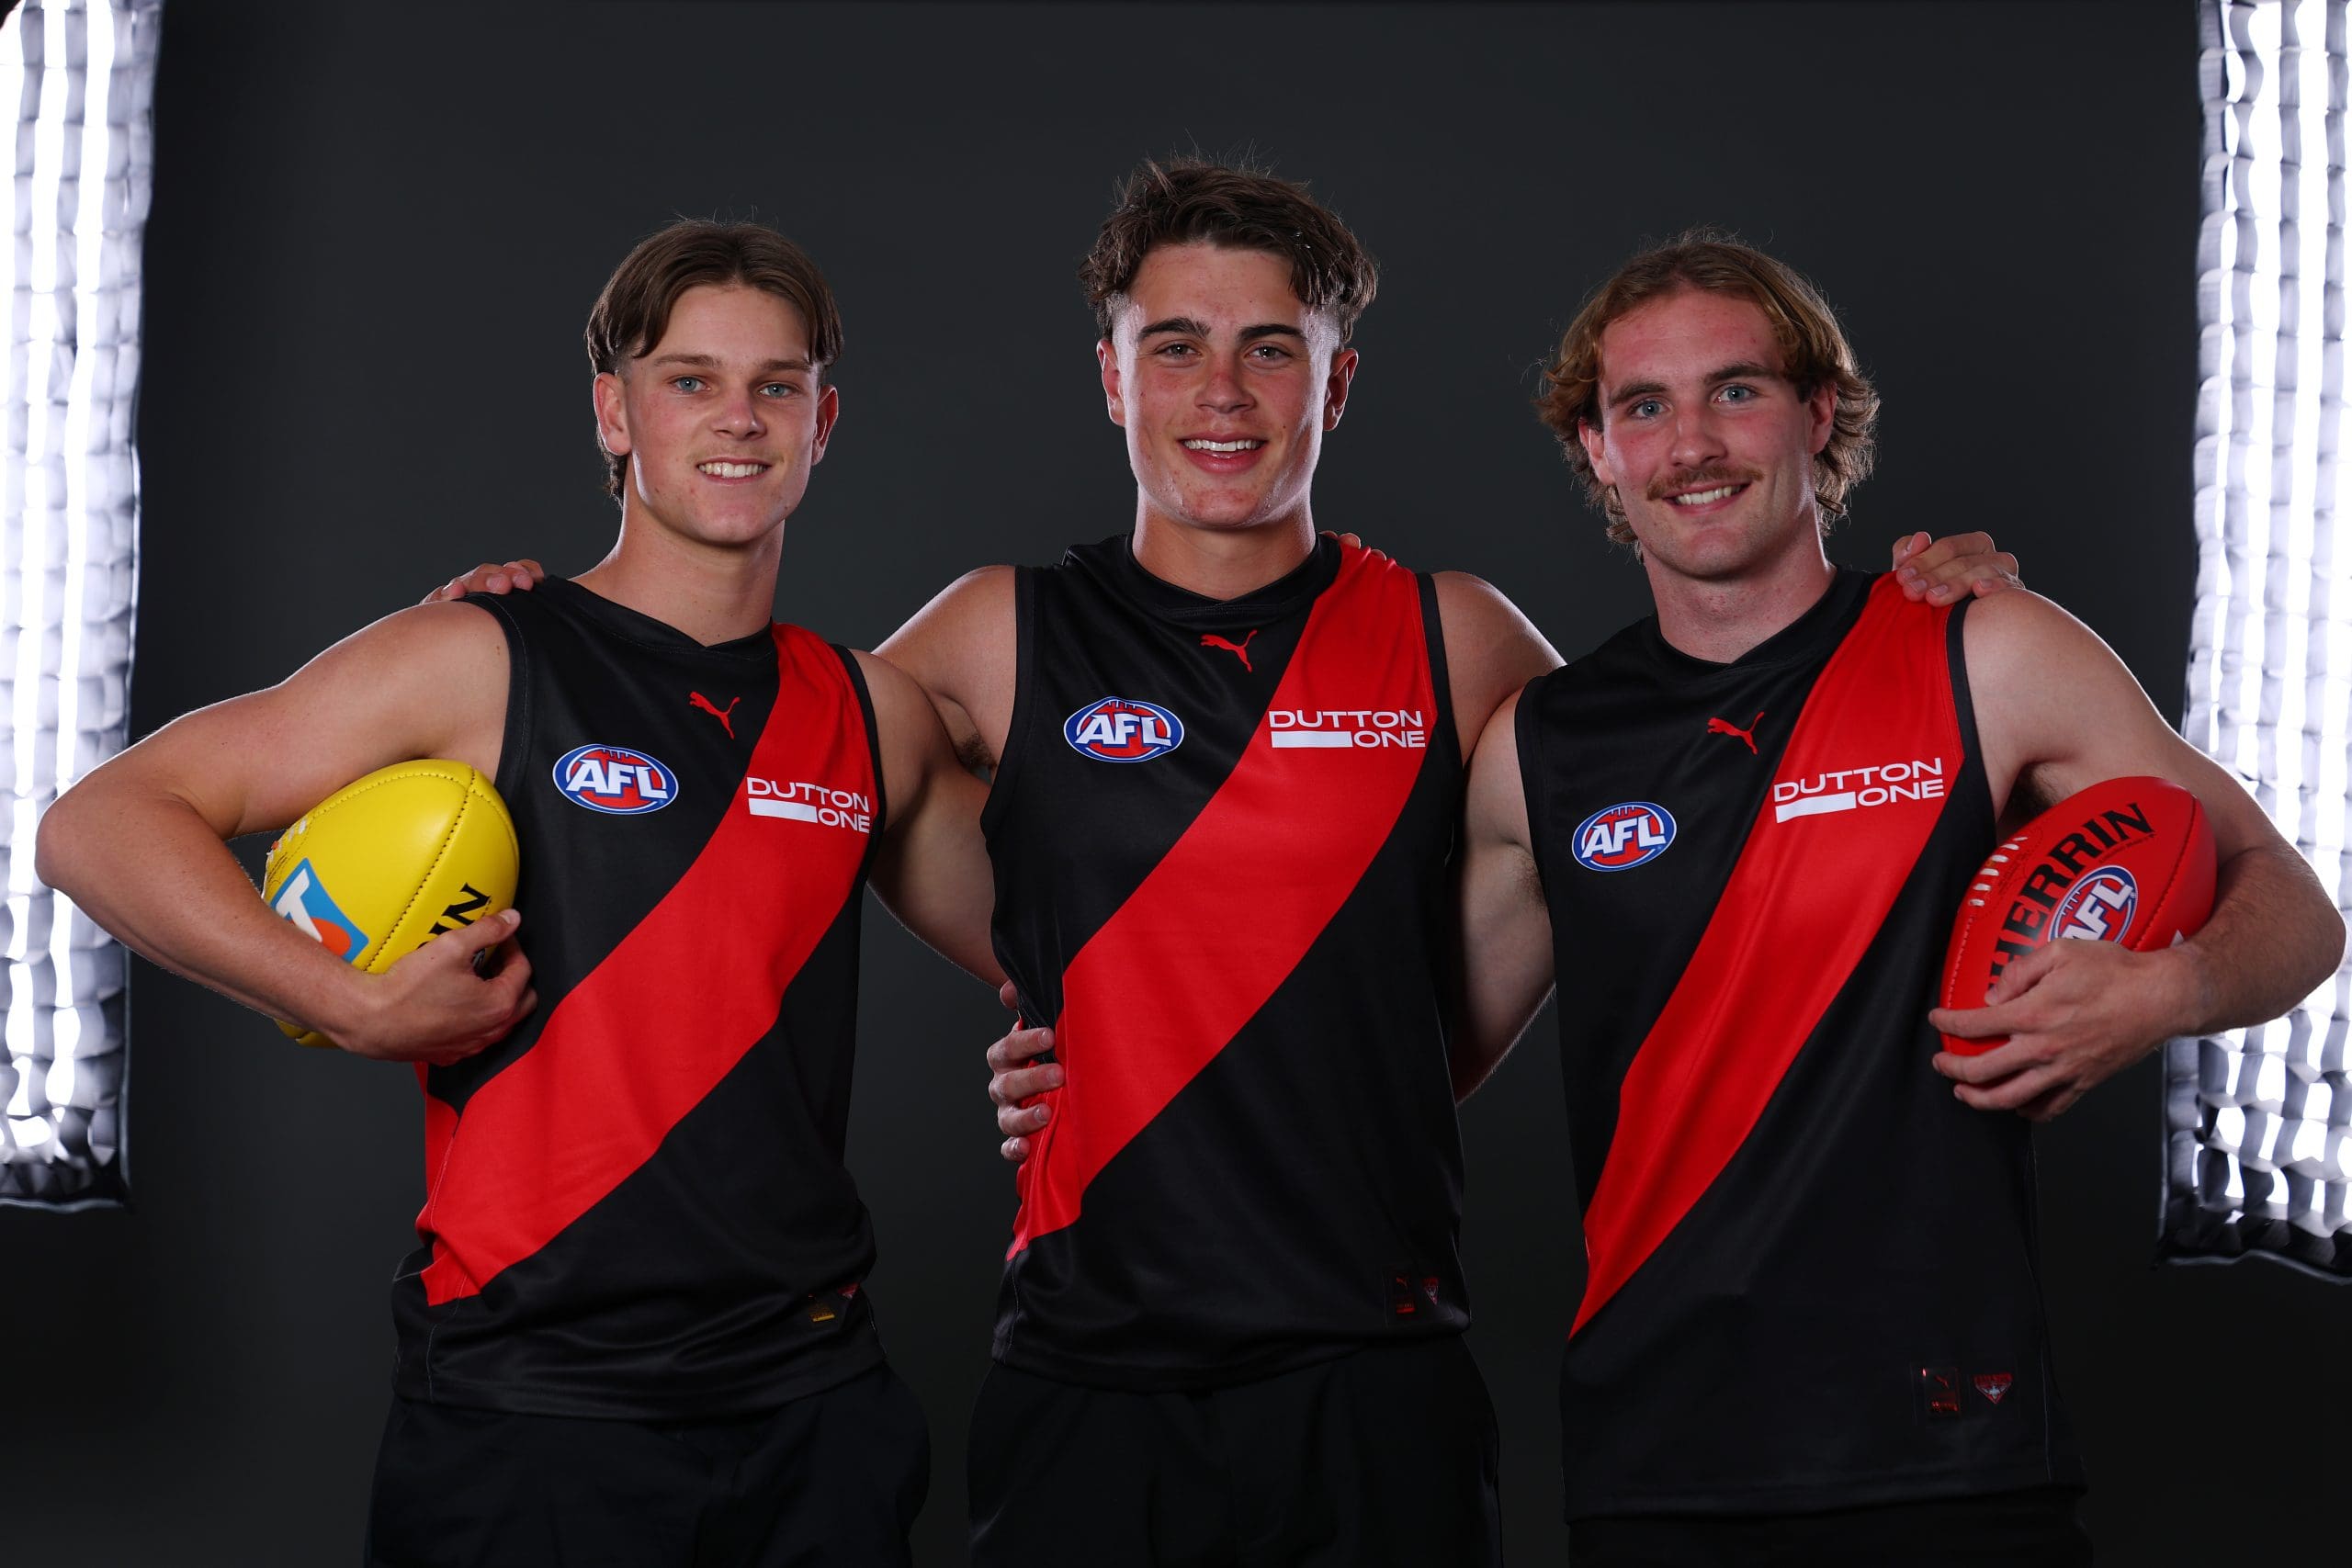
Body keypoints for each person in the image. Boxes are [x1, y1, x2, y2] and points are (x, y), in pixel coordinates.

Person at [447, 164, 2018, 1565]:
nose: (1224, 389)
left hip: (1377, 1369)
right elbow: (735, 757)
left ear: (1338, 387)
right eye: (1175, 345)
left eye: (1274, 346)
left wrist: (1900, 608)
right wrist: (555, 626)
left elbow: (1706, 773)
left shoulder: (1450, 638)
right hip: (1088, 1371)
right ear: (1111, 379)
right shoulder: (995, 637)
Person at [36, 220, 998, 1567]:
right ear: (615, 410)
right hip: (533, 1409)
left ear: (824, 421)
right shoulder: (482, 656)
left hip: (812, 1404)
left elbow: (1064, 949)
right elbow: (98, 823)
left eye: (778, 385)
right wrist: (348, 1003)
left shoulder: (869, 712)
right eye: (690, 379)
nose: (740, 418)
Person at [1442, 232, 2346, 1563]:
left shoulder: (1987, 649)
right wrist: (1091, 1068)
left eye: (1736, 390)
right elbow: (1410, 1063)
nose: (1692, 442)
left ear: (1819, 413)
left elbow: (2298, 905)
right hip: (1661, 1454)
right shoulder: (1539, 748)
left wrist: (2173, 987)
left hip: (1950, 1439)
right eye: (1644, 406)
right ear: (1599, 450)